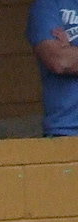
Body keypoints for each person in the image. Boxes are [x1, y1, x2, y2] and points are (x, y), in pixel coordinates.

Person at [26, 1, 78, 135]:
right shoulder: (48, 5)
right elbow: (59, 61)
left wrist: (71, 50)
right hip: (67, 130)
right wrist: (65, 56)